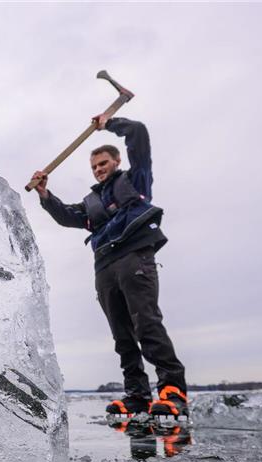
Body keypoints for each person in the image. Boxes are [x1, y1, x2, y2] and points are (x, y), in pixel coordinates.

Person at [30, 114, 187, 418]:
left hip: (134, 257)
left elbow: (139, 133)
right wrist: (45, 194)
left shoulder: (135, 179)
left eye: (103, 163)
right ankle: (137, 395)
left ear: (116, 161)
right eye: (94, 167)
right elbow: (66, 217)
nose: (99, 169)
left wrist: (109, 123)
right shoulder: (91, 202)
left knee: (147, 324)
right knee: (122, 335)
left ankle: (173, 391)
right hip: (104, 267)